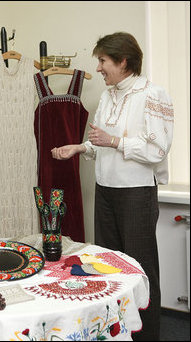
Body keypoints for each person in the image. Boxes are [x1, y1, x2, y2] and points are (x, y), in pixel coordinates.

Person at [51, 32, 174, 341]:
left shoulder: (153, 94)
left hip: (136, 194)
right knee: (109, 266)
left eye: (103, 61)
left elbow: (158, 150)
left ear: (123, 61)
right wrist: (78, 148)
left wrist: (114, 141)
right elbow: (101, 144)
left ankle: (147, 336)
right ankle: (115, 333)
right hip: (105, 190)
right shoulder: (108, 95)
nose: (100, 67)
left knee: (141, 270)